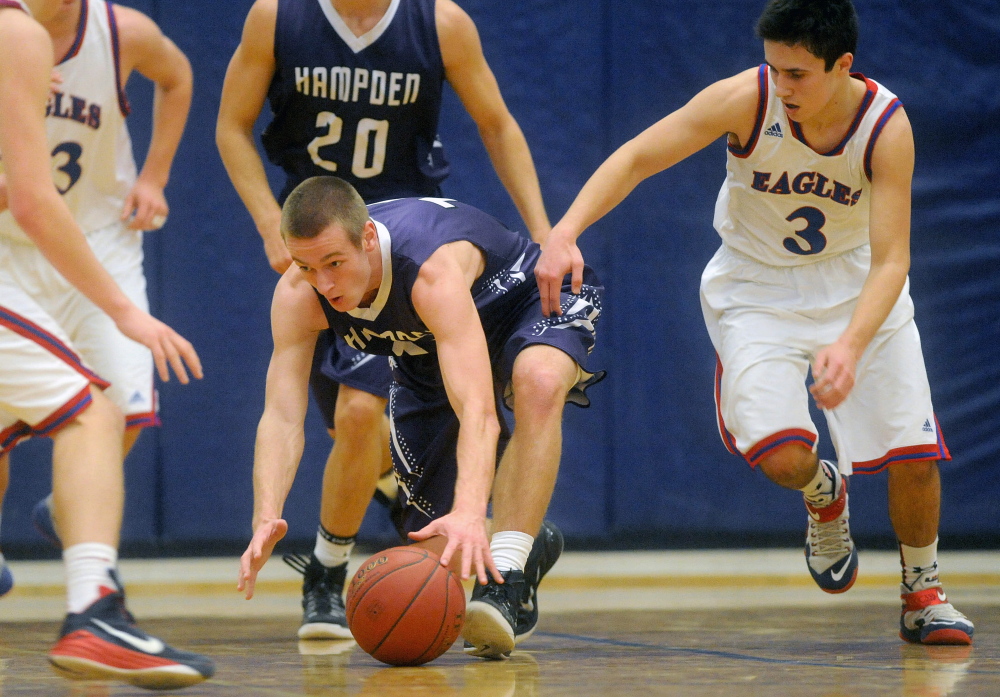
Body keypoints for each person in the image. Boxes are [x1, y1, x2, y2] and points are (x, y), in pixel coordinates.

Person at [535, 0, 972, 646]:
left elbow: (892, 260)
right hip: (757, 289)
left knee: (914, 453)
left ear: (842, 65)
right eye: (775, 68)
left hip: (857, 285)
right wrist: (565, 230)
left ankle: (922, 590)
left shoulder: (886, 126)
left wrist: (850, 343)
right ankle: (824, 492)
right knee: (785, 458)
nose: (783, 85)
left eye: (798, 74)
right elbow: (636, 157)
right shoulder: (746, 98)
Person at [216, 0, 553, 641]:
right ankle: (358, 544)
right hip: (321, 243)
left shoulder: (441, 23)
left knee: (363, 413)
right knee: (354, 423)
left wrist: (544, 231)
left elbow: (498, 124)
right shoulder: (277, 18)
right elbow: (231, 125)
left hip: (398, 251)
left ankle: (329, 567)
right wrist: (270, 221)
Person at [237, 176, 603, 659]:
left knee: (537, 381)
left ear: (368, 238)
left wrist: (472, 511)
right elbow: (282, 415)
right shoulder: (297, 295)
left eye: (334, 263)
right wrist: (266, 513)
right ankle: (530, 542)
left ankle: (509, 573)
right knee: (432, 565)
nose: (323, 283)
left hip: (523, 297)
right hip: (427, 346)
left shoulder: (428, 269)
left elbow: (478, 410)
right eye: (306, 266)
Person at [0, 0, 214, 687]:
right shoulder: (16, 36)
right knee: (87, 409)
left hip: (89, 241)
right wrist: (128, 311)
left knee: (101, 409)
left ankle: (78, 530)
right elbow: (30, 201)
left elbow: (178, 77)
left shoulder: (119, 32)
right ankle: (94, 608)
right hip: (20, 250)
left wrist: (153, 175)